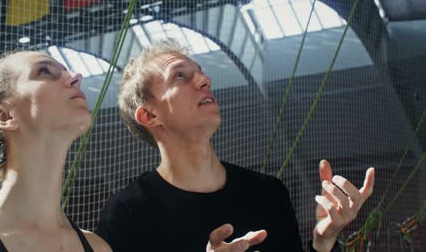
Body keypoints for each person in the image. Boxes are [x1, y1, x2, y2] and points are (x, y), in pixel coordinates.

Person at [96, 38, 375, 252]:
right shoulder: (127, 214)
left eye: (200, 73)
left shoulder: (269, 192)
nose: (205, 80)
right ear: (149, 115)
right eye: (179, 76)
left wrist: (323, 241)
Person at [0, 51, 111, 252]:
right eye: (45, 71)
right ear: (4, 116)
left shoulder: (97, 247)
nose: (77, 77)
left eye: (67, 71)